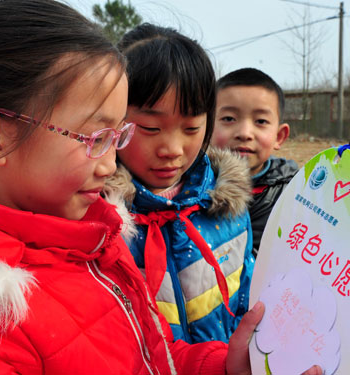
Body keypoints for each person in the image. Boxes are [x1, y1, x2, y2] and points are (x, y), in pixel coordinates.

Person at [0, 1, 325, 374]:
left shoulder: (89, 233)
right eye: (94, 138)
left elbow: (143, 352)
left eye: (119, 136)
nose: (111, 162)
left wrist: (222, 364)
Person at [104, 24, 255, 345]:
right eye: (150, 127)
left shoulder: (226, 204)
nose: (172, 149)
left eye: (190, 128)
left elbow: (247, 295)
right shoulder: (97, 217)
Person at [212, 68, 298, 258]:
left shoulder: (296, 195)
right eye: (228, 119)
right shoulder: (189, 187)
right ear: (206, 126)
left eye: (260, 121)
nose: (244, 133)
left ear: (279, 136)